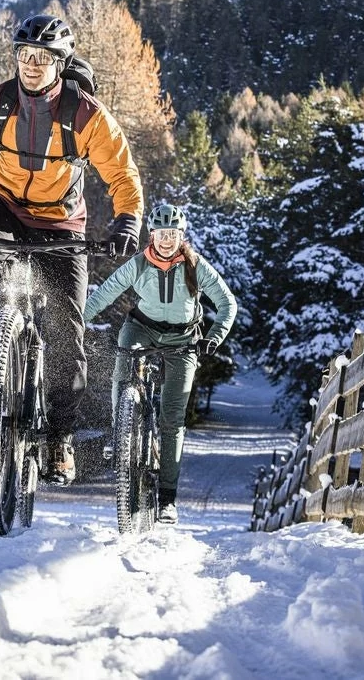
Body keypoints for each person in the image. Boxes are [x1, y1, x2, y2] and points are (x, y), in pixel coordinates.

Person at [0, 14, 144, 485]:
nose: (31, 65)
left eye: (42, 57)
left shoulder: (85, 114)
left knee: (66, 327)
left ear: (60, 63)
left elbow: (121, 173)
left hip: (62, 222)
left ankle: (59, 436)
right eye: (24, 55)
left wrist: (127, 221)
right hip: (3, 209)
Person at [82, 202, 238, 523]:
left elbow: (227, 303)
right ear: (151, 235)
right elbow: (106, 292)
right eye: (161, 234)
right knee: (123, 366)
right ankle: (120, 434)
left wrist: (213, 337)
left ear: (181, 236)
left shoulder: (196, 266)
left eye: (173, 234)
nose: (167, 240)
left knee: (172, 418)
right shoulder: (139, 263)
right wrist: (79, 321)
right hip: (142, 329)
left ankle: (167, 499)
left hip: (184, 340)